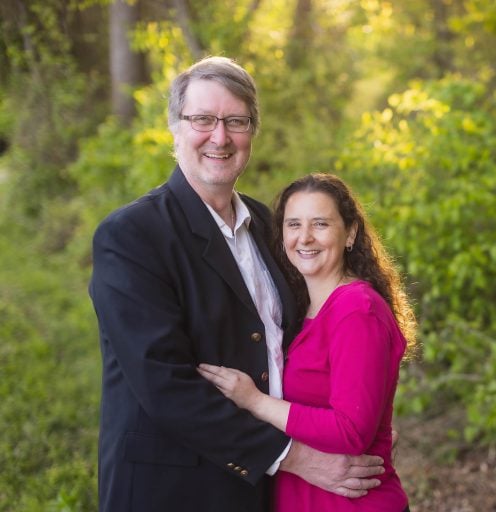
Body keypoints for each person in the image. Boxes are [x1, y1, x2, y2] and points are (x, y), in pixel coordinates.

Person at [89, 57, 384, 512]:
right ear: (175, 127)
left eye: (236, 121)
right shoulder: (132, 235)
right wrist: (295, 457)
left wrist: (369, 424)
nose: (220, 137)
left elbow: (311, 344)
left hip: (260, 491)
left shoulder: (268, 225)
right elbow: (165, 385)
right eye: (203, 119)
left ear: (252, 132)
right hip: (173, 489)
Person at [198, 173, 417, 511]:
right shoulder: (300, 308)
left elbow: (351, 431)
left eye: (320, 224)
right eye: (293, 224)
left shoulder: (356, 310)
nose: (305, 237)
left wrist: (254, 401)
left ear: (351, 233)